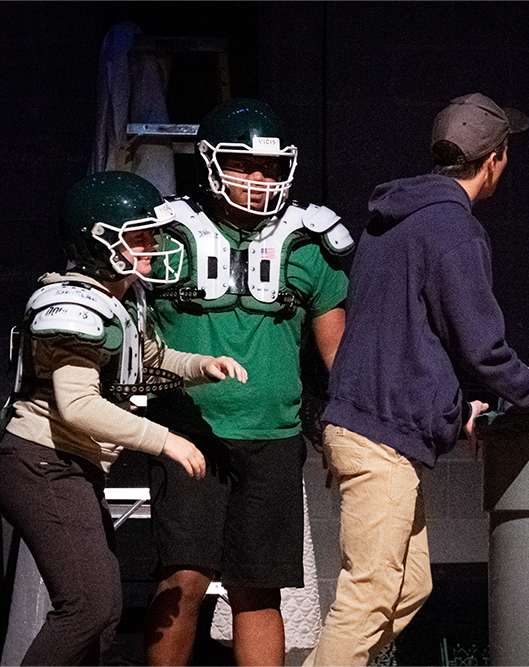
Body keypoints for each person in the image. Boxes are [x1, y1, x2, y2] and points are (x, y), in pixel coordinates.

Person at [306, 93, 529, 667]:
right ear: (493, 160)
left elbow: (413, 339)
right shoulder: (454, 229)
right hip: (379, 439)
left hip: (369, 424)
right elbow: (482, 350)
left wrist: (456, 409)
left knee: (410, 586)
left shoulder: (390, 222)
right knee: (368, 598)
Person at [0, 171, 247, 666]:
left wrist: (202, 366)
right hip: (42, 464)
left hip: (66, 467)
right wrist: (166, 439)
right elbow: (78, 405)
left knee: (102, 615)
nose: (153, 246)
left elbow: (150, 359)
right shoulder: (72, 304)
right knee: (87, 608)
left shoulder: (119, 299)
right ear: (99, 241)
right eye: (140, 236)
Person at [141, 98, 351, 667]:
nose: (257, 179)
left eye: (269, 168)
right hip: (188, 434)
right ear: (211, 162)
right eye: (243, 165)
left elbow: (339, 357)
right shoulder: (163, 235)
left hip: (273, 437)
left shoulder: (309, 245)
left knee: (257, 587)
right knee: (183, 577)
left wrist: (350, 431)